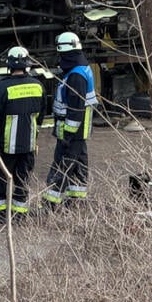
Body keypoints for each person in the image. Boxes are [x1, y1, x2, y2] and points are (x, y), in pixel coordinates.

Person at [0, 46, 47, 222]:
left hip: (6, 146)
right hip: (29, 146)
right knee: (22, 179)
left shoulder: (3, 88)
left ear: (9, 66)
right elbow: (41, 116)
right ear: (27, 65)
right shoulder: (38, 86)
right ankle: (20, 215)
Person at [43, 32, 98, 210]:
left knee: (63, 162)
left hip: (73, 131)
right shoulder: (81, 69)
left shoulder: (75, 76)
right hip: (80, 130)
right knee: (79, 162)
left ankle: (51, 202)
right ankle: (76, 199)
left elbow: (75, 110)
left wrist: (67, 133)